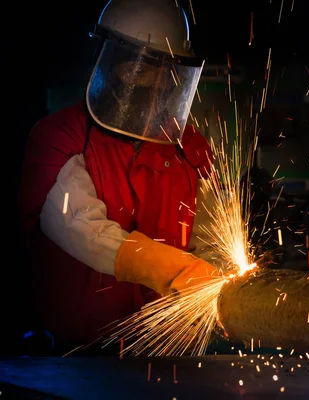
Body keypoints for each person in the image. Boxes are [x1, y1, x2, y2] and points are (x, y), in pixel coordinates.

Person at [17, 0, 218, 351]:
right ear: (107, 62)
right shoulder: (59, 137)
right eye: (136, 69)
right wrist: (178, 271)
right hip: (76, 354)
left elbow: (209, 234)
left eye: (162, 71)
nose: (150, 81)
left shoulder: (189, 147)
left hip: (171, 353)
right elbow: (83, 228)